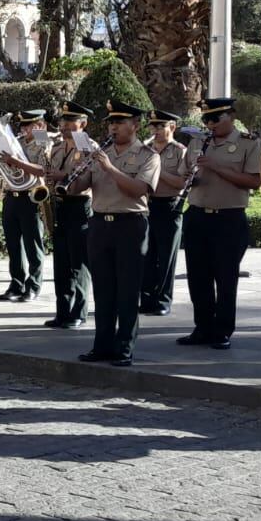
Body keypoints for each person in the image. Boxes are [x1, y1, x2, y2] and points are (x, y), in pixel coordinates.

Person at [66, 101, 160, 366]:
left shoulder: (148, 155)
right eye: (111, 122)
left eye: (119, 122)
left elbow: (139, 189)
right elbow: (80, 186)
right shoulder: (100, 153)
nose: (113, 127)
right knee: (104, 289)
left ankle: (124, 347)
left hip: (130, 224)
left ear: (135, 125)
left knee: (128, 290)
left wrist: (108, 167)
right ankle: (102, 345)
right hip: (99, 224)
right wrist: (71, 177)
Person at [178, 97, 261, 349]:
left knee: (225, 277)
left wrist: (215, 167)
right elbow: (183, 175)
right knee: (198, 276)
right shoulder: (197, 142)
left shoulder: (249, 143)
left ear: (231, 116)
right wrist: (189, 178)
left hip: (228, 218)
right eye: (206, 119)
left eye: (215, 118)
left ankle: (223, 329)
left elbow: (253, 181)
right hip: (197, 215)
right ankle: (202, 327)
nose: (210, 124)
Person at [44, 102, 95, 330]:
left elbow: (86, 173)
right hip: (60, 206)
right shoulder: (57, 148)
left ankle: (79, 312)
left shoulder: (88, 146)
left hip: (80, 206)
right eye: (62, 122)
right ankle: (62, 311)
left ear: (82, 124)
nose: (63, 126)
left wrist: (60, 175)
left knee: (79, 263)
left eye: (69, 122)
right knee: (61, 263)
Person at [140, 110, 190, 316]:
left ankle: (163, 300)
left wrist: (156, 169)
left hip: (169, 205)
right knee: (146, 254)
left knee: (166, 256)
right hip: (147, 205)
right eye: (153, 126)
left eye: (160, 126)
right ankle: (147, 299)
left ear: (172, 127)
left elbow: (181, 182)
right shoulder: (145, 149)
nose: (156, 131)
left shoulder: (180, 151)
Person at [0, 110, 49, 303]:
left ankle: (33, 285)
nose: (24, 129)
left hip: (32, 197)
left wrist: (15, 161)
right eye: (23, 126)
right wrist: (7, 162)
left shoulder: (44, 142)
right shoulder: (16, 142)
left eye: (29, 125)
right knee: (13, 245)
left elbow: (43, 169)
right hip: (12, 195)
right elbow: (6, 167)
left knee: (32, 244)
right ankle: (16, 283)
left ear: (40, 126)